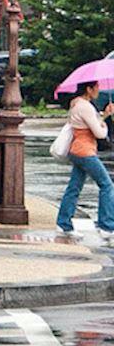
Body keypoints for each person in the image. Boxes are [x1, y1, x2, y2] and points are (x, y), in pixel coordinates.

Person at [57, 79, 114, 241]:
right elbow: (99, 133)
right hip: (85, 152)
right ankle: (107, 226)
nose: (99, 90)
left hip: (77, 150)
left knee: (74, 188)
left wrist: (105, 115)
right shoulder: (86, 107)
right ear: (89, 89)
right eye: (96, 87)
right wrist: (106, 125)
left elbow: (91, 124)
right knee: (107, 185)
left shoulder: (77, 104)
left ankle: (64, 223)